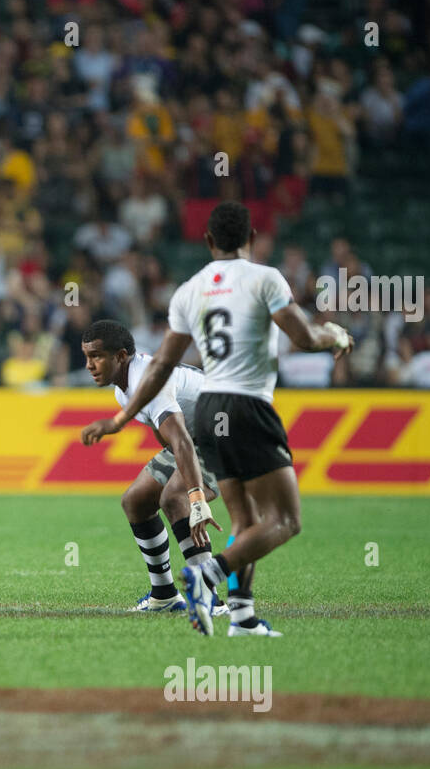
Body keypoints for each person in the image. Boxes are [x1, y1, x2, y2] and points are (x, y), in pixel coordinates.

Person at [105, 201, 351, 636]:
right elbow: (304, 336)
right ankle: (207, 577)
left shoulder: (189, 290)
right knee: (285, 520)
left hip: (211, 406)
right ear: (252, 239)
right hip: (248, 407)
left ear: (207, 241)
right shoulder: (265, 278)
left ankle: (242, 617)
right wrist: (335, 334)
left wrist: (123, 415)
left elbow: (165, 362)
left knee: (243, 522)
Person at [78, 319, 229, 616]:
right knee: (136, 501)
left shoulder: (148, 381)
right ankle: (164, 595)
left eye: (96, 356)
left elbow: (181, 439)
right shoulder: (123, 389)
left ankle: (210, 599)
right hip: (196, 437)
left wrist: (196, 498)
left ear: (121, 356)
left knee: (175, 497)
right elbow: (173, 439)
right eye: (86, 356)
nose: (88, 365)